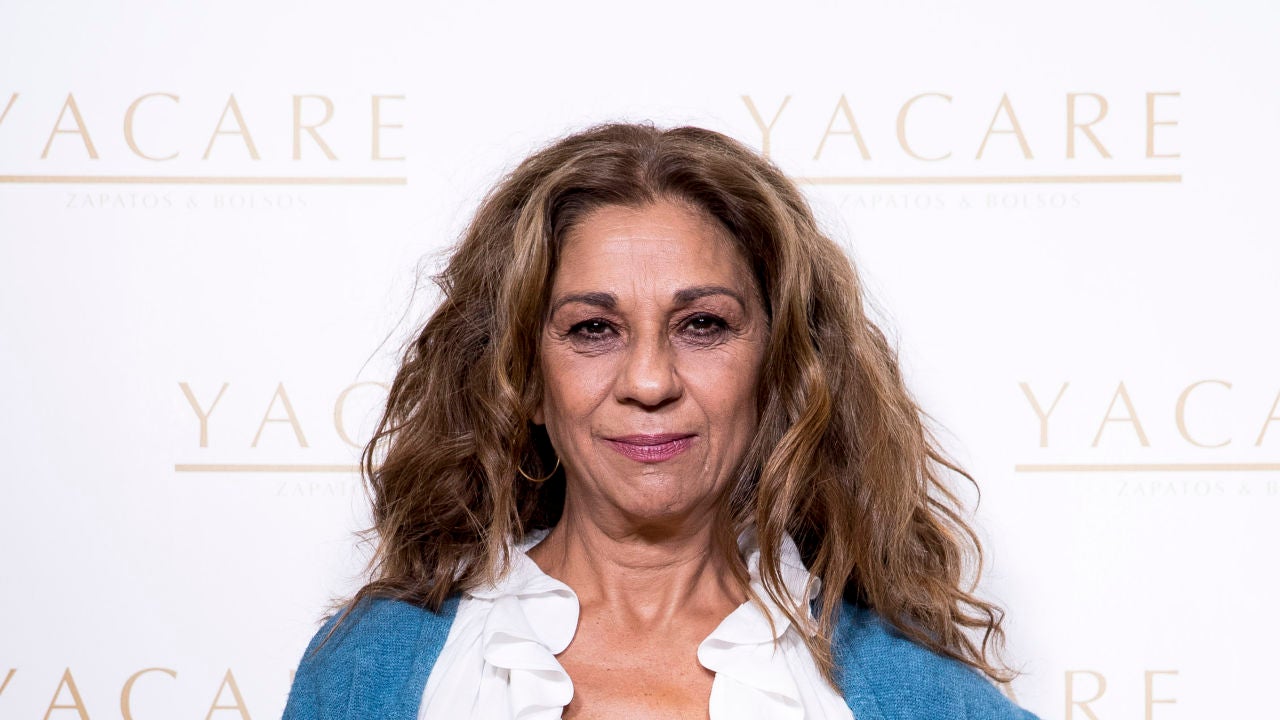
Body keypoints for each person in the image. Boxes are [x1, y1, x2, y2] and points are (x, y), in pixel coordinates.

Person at [282, 123, 1040, 719]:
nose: (649, 381)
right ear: (524, 380)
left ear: (779, 371)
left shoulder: (914, 693)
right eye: (592, 329)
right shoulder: (372, 670)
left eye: (703, 324)